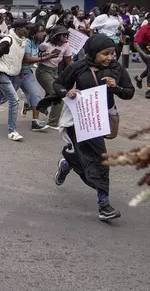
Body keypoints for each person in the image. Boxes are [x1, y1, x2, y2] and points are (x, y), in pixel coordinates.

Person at [44, 34, 134, 221]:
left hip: (98, 121)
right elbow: (58, 83)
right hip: (78, 119)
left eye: (112, 53)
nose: (110, 57)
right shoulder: (78, 67)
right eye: (105, 54)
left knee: (97, 159)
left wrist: (115, 87)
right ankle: (102, 203)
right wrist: (67, 92)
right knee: (91, 158)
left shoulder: (117, 69)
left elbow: (129, 93)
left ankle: (101, 201)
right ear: (93, 53)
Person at [19, 23, 57, 131]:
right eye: (40, 31)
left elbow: (34, 57)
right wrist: (46, 57)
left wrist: (46, 55)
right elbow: (28, 59)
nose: (43, 33)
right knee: (1, 98)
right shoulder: (27, 43)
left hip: (26, 72)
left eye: (43, 31)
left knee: (36, 94)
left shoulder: (36, 43)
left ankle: (35, 122)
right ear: (33, 33)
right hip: (16, 73)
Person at [35, 25, 73, 130]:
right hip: (43, 71)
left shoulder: (67, 45)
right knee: (57, 94)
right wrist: (45, 55)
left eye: (67, 35)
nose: (66, 37)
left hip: (55, 71)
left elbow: (69, 61)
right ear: (56, 36)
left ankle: (32, 104)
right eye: (63, 35)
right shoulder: (46, 45)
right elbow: (36, 55)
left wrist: (77, 70)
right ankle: (52, 123)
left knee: (55, 94)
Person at [133, 12, 150, 99]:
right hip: (145, 49)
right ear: (148, 20)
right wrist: (144, 54)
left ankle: (139, 78)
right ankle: (149, 90)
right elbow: (136, 43)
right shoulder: (144, 28)